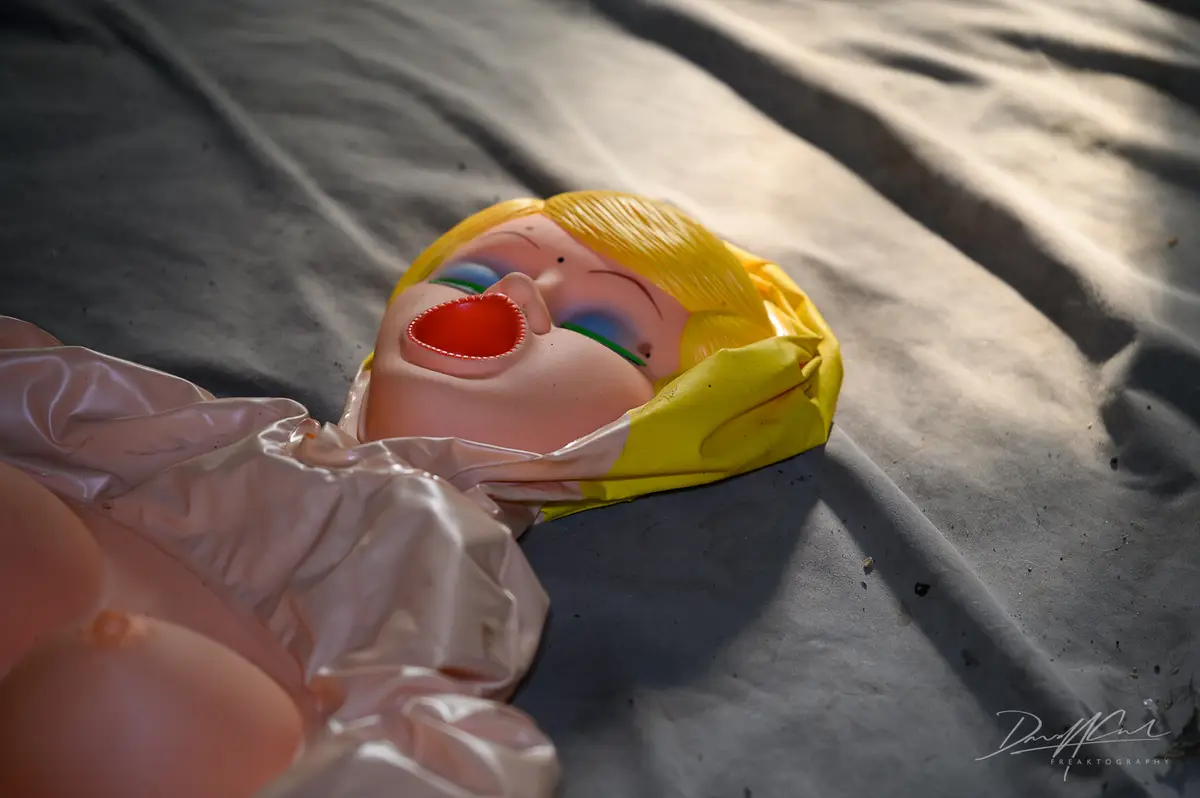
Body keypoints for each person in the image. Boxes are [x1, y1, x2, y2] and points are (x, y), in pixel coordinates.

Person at [0, 191, 841, 798]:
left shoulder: (447, 556)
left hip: (168, 717)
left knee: (116, 696)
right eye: (477, 270)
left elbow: (425, 746)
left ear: (661, 418)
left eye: (603, 325)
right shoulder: (233, 431)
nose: (510, 297)